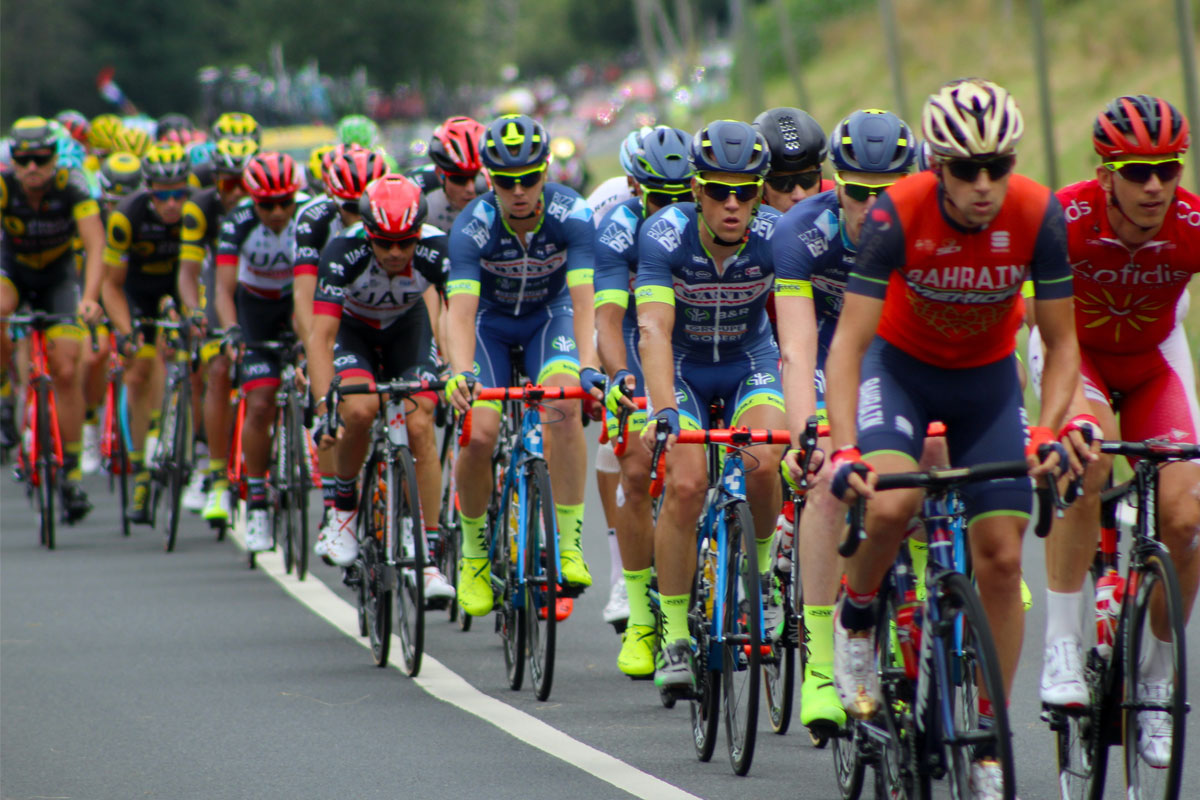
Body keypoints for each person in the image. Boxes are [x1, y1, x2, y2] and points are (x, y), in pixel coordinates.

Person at [824, 78, 1087, 797]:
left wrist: (1049, 430)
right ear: (937, 165)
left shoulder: (1038, 214)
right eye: (967, 169)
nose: (983, 185)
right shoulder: (895, 213)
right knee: (889, 505)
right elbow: (848, 346)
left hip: (986, 387)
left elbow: (1064, 344)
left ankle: (991, 741)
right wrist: (844, 449)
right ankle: (857, 615)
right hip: (900, 374)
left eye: (997, 167)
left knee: (1001, 556)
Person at [1034, 94, 1199, 767]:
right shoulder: (1064, 219)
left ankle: (1156, 682)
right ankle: (1062, 645)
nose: (1155, 186)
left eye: (1168, 168)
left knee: (1188, 518)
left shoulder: (1190, 224)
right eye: (1136, 171)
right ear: (1105, 175)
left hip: (1155, 361)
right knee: (1090, 456)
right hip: (1076, 354)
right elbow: (1027, 314)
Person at [774, 108, 916, 738]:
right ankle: (820, 666)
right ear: (836, 185)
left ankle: (927, 600)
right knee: (829, 477)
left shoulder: (929, 227)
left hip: (900, 357)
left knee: (937, 459)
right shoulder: (802, 231)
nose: (873, 206)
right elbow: (797, 349)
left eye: (889, 192)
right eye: (858, 192)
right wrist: (805, 432)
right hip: (831, 355)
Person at [634, 119, 787, 689]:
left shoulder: (778, 235)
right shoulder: (664, 234)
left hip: (749, 360)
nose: (732, 204)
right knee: (686, 483)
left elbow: (802, 327)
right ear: (696, 189)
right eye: (719, 191)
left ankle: (762, 578)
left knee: (765, 461)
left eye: (745, 192)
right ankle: (674, 634)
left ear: (760, 192)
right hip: (683, 367)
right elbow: (652, 328)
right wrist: (663, 409)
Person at [443, 114, 602, 617]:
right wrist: (460, 372)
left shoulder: (572, 212)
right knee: (480, 432)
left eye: (529, 178)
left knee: (565, 406)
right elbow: (460, 313)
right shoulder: (473, 223)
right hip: (488, 325)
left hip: (548, 318)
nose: (518, 191)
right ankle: (473, 557)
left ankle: (568, 545)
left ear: (546, 170)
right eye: (505, 181)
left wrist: (590, 367)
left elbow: (585, 302)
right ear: (489, 178)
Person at [308, 176, 453, 609]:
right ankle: (344, 512)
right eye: (384, 243)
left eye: (405, 243)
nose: (395, 252)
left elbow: (455, 314)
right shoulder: (342, 251)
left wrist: (453, 368)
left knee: (420, 422)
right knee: (358, 410)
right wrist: (324, 407)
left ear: (418, 233)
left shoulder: (438, 248)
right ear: (368, 232)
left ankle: (427, 557)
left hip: (408, 329)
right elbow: (321, 336)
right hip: (353, 332)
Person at [594, 126, 694, 676]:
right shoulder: (618, 226)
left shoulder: (711, 219)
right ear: (635, 187)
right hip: (637, 338)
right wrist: (621, 378)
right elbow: (610, 318)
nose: (671, 210)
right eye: (660, 198)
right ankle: (639, 615)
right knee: (635, 470)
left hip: (699, 342)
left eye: (682, 196)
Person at [0, 117, 105, 520]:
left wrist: (91, 298)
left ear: (54, 159)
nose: (32, 167)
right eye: (23, 159)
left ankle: (71, 472)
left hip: (58, 278)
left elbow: (95, 245)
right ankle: (5, 395)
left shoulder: (72, 184)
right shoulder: (5, 186)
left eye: (41, 159)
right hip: (13, 271)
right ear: (13, 160)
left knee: (65, 369)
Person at [293, 144, 386, 544]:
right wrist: (310, 353)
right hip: (334, 314)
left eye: (367, 206)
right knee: (336, 403)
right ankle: (335, 503)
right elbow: (304, 296)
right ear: (334, 201)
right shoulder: (314, 220)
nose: (360, 217)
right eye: (350, 208)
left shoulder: (398, 209)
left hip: (388, 315)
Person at [213, 151, 306, 552]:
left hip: (297, 302)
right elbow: (222, 288)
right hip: (254, 308)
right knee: (260, 402)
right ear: (253, 199)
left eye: (285, 202)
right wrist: (232, 330)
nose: (278, 212)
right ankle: (257, 502)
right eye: (267, 205)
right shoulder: (237, 222)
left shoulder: (309, 217)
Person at [100, 142, 192, 523]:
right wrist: (126, 332)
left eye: (179, 194)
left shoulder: (197, 212)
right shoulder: (127, 216)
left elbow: (203, 273)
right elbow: (110, 286)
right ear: (148, 190)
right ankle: (140, 469)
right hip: (136, 292)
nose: (172, 203)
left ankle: (192, 453)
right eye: (162, 195)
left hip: (182, 286)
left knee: (197, 362)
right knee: (139, 368)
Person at [177, 135, 259, 525]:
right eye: (229, 183)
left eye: (245, 183)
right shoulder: (200, 206)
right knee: (219, 369)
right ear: (216, 183)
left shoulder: (272, 206)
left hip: (259, 288)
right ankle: (216, 477)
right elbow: (189, 272)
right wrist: (194, 312)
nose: (237, 192)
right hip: (218, 286)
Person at [754, 107, 831, 214]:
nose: (799, 196)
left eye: (808, 179)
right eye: (782, 183)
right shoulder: (743, 213)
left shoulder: (840, 198)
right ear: (760, 188)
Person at [425, 116, 487, 231]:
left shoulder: (502, 190)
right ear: (439, 174)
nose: (471, 189)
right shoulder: (422, 196)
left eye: (477, 177)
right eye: (460, 179)